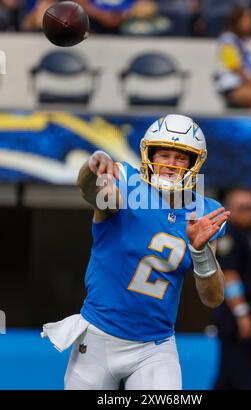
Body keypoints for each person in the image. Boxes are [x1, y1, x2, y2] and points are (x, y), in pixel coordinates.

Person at [41, 114, 230, 390]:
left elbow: (213, 298)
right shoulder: (126, 184)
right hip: (98, 335)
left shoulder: (204, 212)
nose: (170, 164)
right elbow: (90, 190)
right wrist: (93, 166)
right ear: (149, 154)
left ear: (194, 163)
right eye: (164, 155)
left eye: (180, 158)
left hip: (154, 346)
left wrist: (199, 250)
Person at [213, 188, 251, 390]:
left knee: (228, 378)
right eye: (243, 208)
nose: (249, 212)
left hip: (246, 313)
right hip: (234, 317)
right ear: (231, 209)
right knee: (244, 379)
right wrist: (242, 313)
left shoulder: (246, 236)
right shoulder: (230, 235)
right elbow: (229, 275)